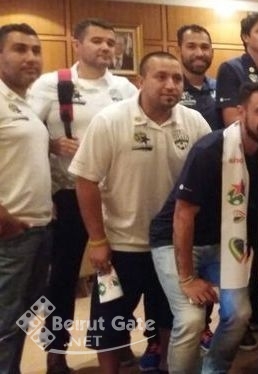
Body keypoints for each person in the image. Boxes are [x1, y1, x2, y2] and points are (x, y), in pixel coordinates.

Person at [69, 52, 211, 374]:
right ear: (140, 81)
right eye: (161, 77)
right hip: (122, 244)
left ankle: (165, 365)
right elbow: (86, 180)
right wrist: (97, 240)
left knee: (169, 317)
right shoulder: (110, 121)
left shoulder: (195, 123)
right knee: (109, 322)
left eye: (177, 78)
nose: (171, 84)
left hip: (171, 246)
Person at [27, 18, 138, 373]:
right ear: (77, 44)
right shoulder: (51, 84)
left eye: (110, 42)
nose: (105, 47)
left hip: (115, 197)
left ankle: (116, 341)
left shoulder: (124, 88)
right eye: (97, 41)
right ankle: (55, 350)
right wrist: (51, 143)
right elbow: (25, 131)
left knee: (118, 277)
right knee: (61, 279)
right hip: (69, 195)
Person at [150, 81, 258, 373]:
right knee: (191, 320)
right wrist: (187, 278)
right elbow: (183, 216)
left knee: (240, 314)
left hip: (222, 243)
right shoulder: (210, 149)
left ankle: (213, 369)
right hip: (174, 240)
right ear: (241, 112)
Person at [0, 23, 50, 374]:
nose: (31, 57)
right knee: (4, 324)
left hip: (37, 228)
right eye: (20, 49)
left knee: (20, 320)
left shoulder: (24, 102)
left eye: (36, 50)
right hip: (10, 234)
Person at [177, 24, 222, 131]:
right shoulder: (171, 89)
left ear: (212, 52)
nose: (199, 53)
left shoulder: (221, 88)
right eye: (191, 47)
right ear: (179, 50)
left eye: (205, 47)